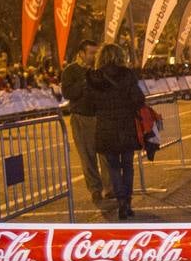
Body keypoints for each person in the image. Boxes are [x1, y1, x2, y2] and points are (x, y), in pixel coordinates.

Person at [86, 43, 145, 221]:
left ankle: (120, 200)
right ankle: (127, 201)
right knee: (127, 165)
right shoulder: (127, 75)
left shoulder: (95, 78)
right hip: (126, 125)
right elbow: (138, 99)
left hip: (105, 127)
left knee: (112, 167)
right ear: (119, 56)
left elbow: (90, 106)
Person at [60, 39, 112, 207]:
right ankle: (95, 189)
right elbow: (67, 93)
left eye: (96, 53)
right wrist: (85, 82)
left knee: (106, 154)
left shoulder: (99, 69)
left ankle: (110, 188)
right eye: (91, 53)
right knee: (87, 156)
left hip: (100, 116)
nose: (94, 56)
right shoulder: (70, 71)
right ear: (81, 53)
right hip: (82, 118)